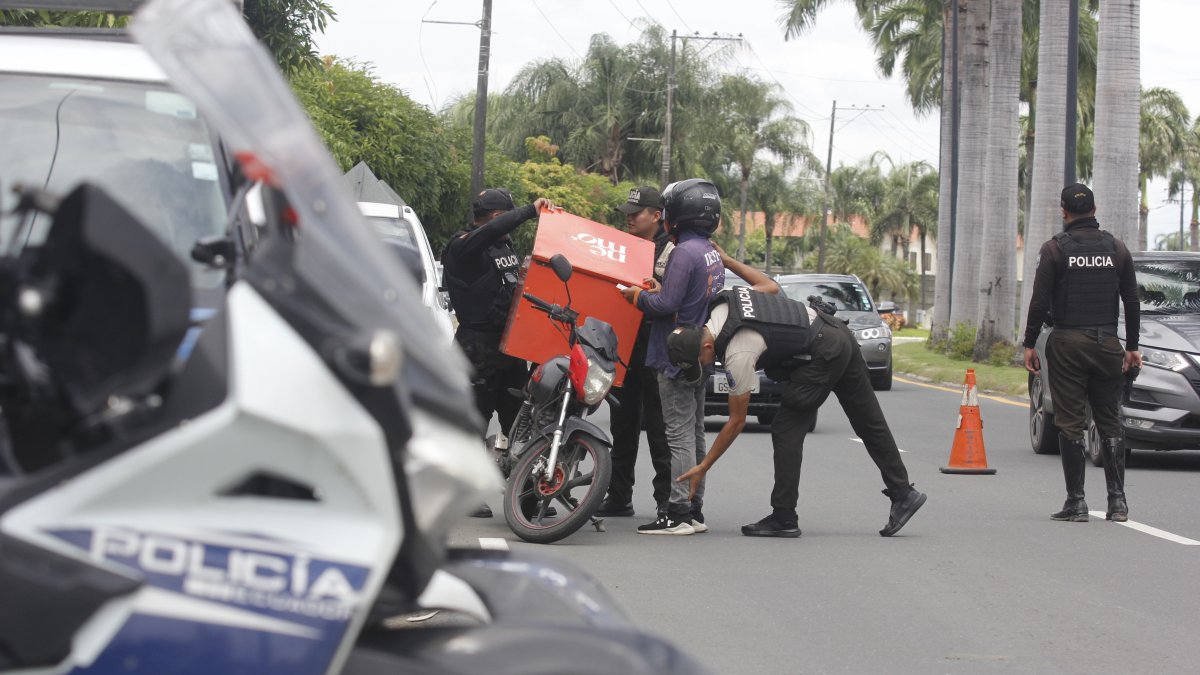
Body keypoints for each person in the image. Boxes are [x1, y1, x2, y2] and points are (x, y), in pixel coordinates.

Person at [672, 254, 927, 538]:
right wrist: (728, 261)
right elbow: (768, 286)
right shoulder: (723, 304)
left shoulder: (738, 352)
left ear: (707, 345)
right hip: (836, 332)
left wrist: (703, 466)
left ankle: (784, 516)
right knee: (868, 420)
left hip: (823, 352)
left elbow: (736, 420)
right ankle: (903, 492)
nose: (705, 366)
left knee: (785, 427)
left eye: (700, 361)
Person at [1022, 183, 1142, 523]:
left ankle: (1077, 502)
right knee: (1110, 421)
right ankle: (1118, 502)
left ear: (1064, 211)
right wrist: (1131, 347)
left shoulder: (1055, 250)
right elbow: (1131, 301)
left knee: (1070, 423)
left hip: (1067, 344)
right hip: (1107, 344)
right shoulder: (1117, 249)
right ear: (1094, 209)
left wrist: (1030, 344)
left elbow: (1040, 301)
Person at [442, 188, 556, 517]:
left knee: (521, 422)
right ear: (495, 217)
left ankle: (528, 495)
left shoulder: (502, 245)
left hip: (508, 346)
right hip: (475, 346)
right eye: (506, 217)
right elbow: (488, 232)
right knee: (474, 423)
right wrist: (528, 211)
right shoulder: (462, 247)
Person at [621, 178, 724, 535]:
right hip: (699, 352)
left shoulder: (683, 252)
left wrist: (635, 296)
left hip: (675, 352)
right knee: (695, 433)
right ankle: (695, 509)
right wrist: (659, 290)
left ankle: (678, 511)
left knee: (677, 433)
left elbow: (666, 304)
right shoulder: (709, 251)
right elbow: (688, 295)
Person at [598, 186, 675, 518]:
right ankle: (619, 496)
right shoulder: (624, 248)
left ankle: (666, 501)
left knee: (659, 429)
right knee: (622, 424)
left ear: (656, 216)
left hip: (657, 349)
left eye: (636, 212)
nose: (629, 218)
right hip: (625, 347)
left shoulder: (673, 251)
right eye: (627, 213)